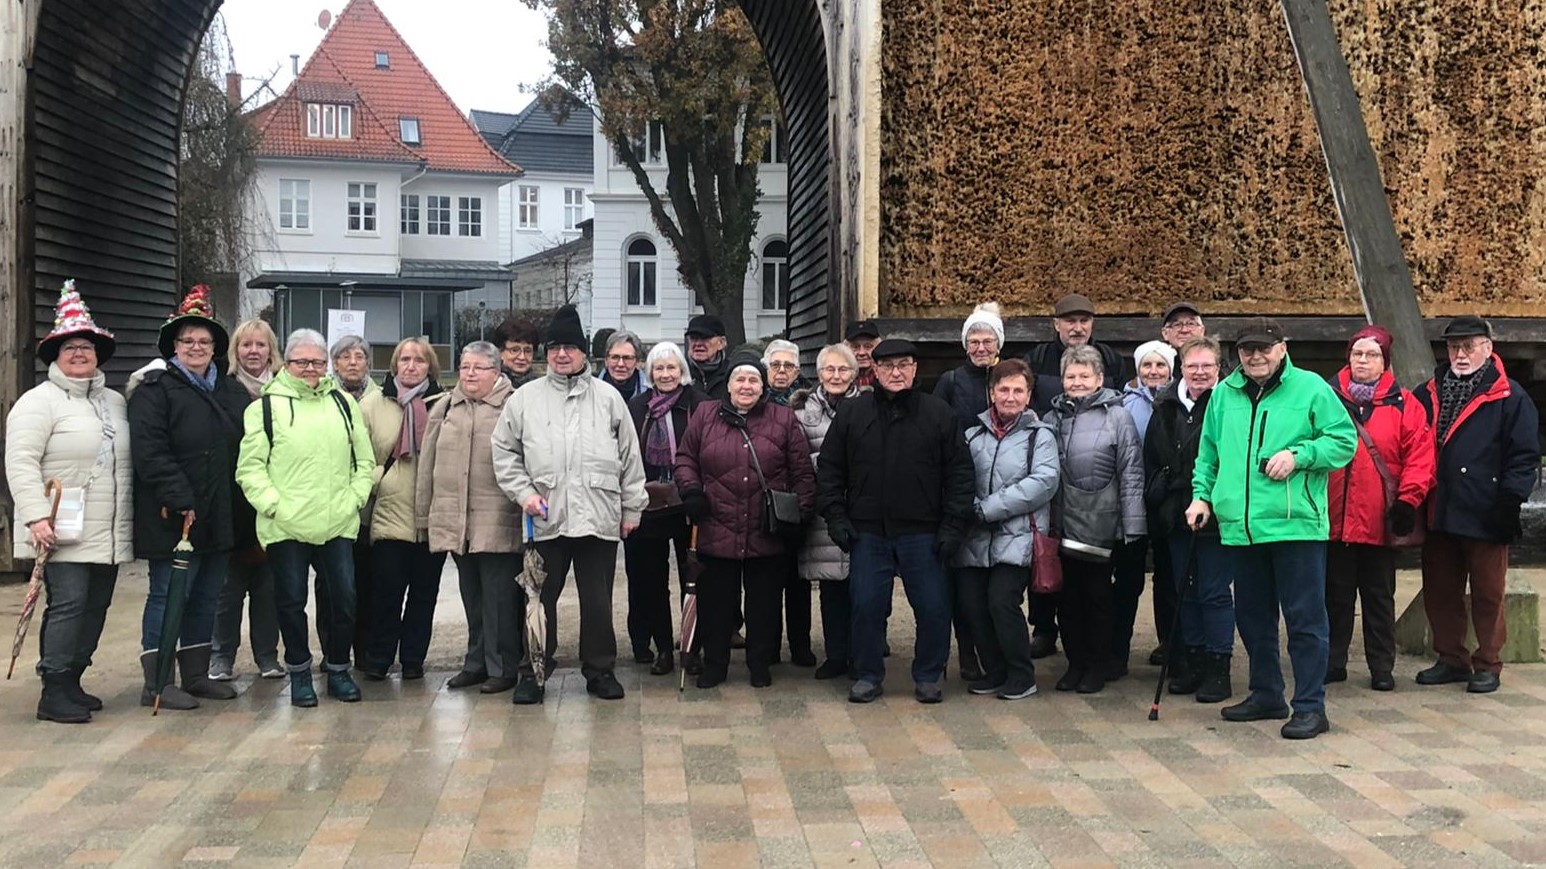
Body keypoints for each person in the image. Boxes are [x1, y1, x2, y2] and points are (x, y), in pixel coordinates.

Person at [1186, 318, 1356, 740]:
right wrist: (1201, 495)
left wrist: (1300, 455)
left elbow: (1344, 440)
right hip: (1241, 527)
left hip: (1295, 524)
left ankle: (1311, 707)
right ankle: (1266, 694)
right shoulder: (1224, 394)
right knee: (1253, 618)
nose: (1255, 356)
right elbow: (1208, 452)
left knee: (1304, 620)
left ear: (1282, 347)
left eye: (1263, 348)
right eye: (1247, 350)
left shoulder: (1312, 388)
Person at [491, 305, 649, 702]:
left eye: (571, 348)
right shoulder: (525, 399)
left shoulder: (609, 398)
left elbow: (631, 458)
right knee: (538, 601)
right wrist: (524, 493)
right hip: (545, 518)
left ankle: (599, 671)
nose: (563, 355)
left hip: (598, 517)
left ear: (584, 354)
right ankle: (534, 673)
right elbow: (504, 451)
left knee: (598, 602)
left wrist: (632, 509)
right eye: (556, 347)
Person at [817, 338, 974, 704]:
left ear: (915, 368)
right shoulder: (853, 414)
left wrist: (953, 526)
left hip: (924, 531)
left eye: (904, 364)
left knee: (933, 607)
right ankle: (868, 674)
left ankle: (928, 675)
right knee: (867, 605)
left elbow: (960, 475)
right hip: (867, 531)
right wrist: (836, 518)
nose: (896, 372)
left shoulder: (938, 414)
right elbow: (829, 470)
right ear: (874, 370)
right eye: (887, 365)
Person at [6, 282, 132, 723]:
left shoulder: (114, 402)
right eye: (70, 347)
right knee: (69, 605)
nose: (79, 353)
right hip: (62, 527)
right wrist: (36, 517)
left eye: (86, 346)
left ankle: (75, 678)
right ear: (55, 356)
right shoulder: (37, 403)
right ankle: (53, 688)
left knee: (96, 606)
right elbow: (20, 461)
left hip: (108, 528)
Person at [236, 328, 375, 708]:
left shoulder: (344, 404)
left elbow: (364, 462)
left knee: (343, 600)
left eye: (317, 362)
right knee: (290, 601)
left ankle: (338, 669)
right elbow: (250, 470)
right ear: (287, 363)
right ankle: (299, 671)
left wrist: (354, 499)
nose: (311, 369)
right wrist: (275, 506)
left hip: (337, 521)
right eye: (302, 362)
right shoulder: (264, 408)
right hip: (286, 525)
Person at [128, 286, 252, 711]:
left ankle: (196, 675)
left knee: (206, 595)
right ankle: (157, 682)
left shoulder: (232, 392)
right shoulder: (155, 390)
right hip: (174, 515)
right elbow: (149, 449)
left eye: (204, 341)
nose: (196, 347)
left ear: (215, 347)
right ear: (174, 347)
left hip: (220, 513)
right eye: (188, 341)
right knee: (169, 594)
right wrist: (179, 494)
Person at [1413, 316, 1539, 694]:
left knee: (1488, 593)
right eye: (1454, 347)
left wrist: (1510, 502)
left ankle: (1488, 662)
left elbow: (1524, 455)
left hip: (1486, 508)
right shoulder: (1428, 391)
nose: (1461, 354)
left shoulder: (1509, 395)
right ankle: (1451, 658)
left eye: (1469, 346)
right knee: (1440, 590)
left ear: (1488, 348)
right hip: (1440, 506)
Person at [675, 352, 817, 688]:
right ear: (728, 384)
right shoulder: (705, 415)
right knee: (717, 604)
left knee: (764, 606)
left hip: (765, 528)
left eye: (753, 379)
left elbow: (802, 472)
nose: (746, 385)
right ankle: (715, 664)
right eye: (740, 379)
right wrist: (692, 491)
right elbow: (685, 459)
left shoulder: (782, 419)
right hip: (716, 524)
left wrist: (801, 517)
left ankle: (760, 664)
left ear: (762, 384)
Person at [1325, 326, 1436, 692]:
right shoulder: (1326, 397)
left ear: (1384, 361)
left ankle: (1381, 666)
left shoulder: (1405, 404)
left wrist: (1408, 500)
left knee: (1378, 598)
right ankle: (1332, 660)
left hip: (1378, 519)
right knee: (1334, 596)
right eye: (1357, 353)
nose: (1362, 361)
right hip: (1334, 518)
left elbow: (1419, 456)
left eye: (1371, 355)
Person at [416, 341, 526, 697]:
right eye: (464, 367)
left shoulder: (513, 406)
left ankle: (503, 667)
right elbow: (427, 465)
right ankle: (475, 663)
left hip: (498, 519)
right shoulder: (446, 407)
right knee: (472, 597)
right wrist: (424, 516)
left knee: (499, 600)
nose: (470, 374)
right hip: (456, 521)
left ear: (496, 372)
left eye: (479, 368)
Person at [953, 358, 1059, 700]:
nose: (1010, 397)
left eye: (1018, 390)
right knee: (973, 604)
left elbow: (1044, 482)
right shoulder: (972, 435)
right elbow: (959, 479)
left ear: (1028, 396)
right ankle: (994, 670)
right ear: (991, 392)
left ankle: (1021, 674)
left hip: (1018, 536)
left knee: (1002, 602)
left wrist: (988, 509)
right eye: (1003, 389)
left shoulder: (1040, 436)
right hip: (976, 537)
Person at [1043, 345, 1146, 695]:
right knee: (1067, 601)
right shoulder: (1051, 418)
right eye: (1070, 376)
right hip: (1064, 525)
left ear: (1099, 379)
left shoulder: (1118, 417)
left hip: (1102, 525)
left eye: (1084, 375)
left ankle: (1098, 665)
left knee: (1098, 600)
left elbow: (1131, 474)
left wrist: (1132, 526)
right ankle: (1075, 663)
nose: (1077, 382)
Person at [1145, 337, 1234, 703]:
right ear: (1182, 368)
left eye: (1207, 367)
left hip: (1214, 515)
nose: (1199, 373)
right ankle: (1193, 661)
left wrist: (1209, 498)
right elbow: (1152, 454)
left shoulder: (1229, 402)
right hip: (1175, 513)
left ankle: (1218, 668)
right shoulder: (1165, 404)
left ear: (1218, 369)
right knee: (1186, 590)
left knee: (1213, 593)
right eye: (1192, 366)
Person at [358, 337, 447, 681]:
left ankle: (413, 660)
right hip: (389, 514)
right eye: (405, 360)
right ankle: (378, 659)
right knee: (386, 595)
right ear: (394, 366)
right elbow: (359, 456)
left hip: (431, 514)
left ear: (430, 367)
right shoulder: (371, 405)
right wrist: (379, 479)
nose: (411, 366)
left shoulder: (444, 404)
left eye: (420, 360)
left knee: (424, 596)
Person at [933, 302, 1008, 682]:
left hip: (1002, 488)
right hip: (960, 485)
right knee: (961, 578)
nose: (981, 347)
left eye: (988, 339)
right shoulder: (950, 381)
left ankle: (997, 650)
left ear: (999, 343)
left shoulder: (1007, 378)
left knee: (997, 581)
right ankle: (965, 651)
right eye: (974, 340)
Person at [624, 341, 708, 676]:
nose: (665, 374)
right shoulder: (638, 406)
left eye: (671, 367)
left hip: (689, 500)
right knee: (651, 580)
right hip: (650, 503)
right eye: (659, 368)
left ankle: (692, 647)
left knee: (694, 577)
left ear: (682, 371)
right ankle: (662, 648)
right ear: (650, 373)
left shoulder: (698, 404)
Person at [209, 318, 285, 682]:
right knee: (228, 590)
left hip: (277, 504)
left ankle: (267, 656)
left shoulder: (285, 391)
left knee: (269, 589)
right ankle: (220, 655)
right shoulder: (221, 390)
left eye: (260, 345)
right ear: (235, 351)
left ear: (272, 350)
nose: (253, 351)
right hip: (233, 503)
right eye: (246, 345)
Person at [793, 343, 864, 680]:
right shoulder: (802, 411)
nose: (836, 376)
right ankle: (836, 655)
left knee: (864, 588)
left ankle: (863, 654)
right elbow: (795, 460)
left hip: (862, 508)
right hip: (825, 510)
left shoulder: (868, 406)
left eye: (843, 370)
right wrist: (831, 462)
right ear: (818, 373)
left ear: (854, 373)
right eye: (829, 370)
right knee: (832, 588)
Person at [1111, 339, 1179, 676]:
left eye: (1161, 365)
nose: (1154, 372)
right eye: (1147, 366)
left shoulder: (1179, 402)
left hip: (1167, 502)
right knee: (1128, 579)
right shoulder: (1123, 405)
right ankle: (1116, 651)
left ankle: (1170, 644)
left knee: (1169, 578)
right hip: (1131, 502)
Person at [760, 338, 815, 664]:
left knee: (798, 581)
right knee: (766, 581)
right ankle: (767, 646)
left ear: (797, 371)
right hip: (762, 499)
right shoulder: (755, 399)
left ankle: (800, 645)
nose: (781, 372)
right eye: (776, 365)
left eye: (788, 366)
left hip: (795, 498)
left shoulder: (808, 404)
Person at [325, 334, 378, 666]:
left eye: (359, 356)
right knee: (332, 590)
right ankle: (333, 652)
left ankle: (366, 652)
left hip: (371, 508)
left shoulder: (381, 398)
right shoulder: (324, 397)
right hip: (331, 509)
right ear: (335, 363)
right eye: (345, 356)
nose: (353, 362)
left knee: (368, 586)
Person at [1024, 293, 1124, 414]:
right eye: (1071, 321)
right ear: (1056, 325)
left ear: (1092, 323)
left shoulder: (1111, 359)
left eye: (1084, 321)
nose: (1078, 328)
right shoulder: (1037, 359)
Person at [685, 314, 731, 400]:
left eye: (705, 338)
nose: (698, 344)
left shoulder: (732, 373)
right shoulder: (680, 372)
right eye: (693, 338)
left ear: (721, 343)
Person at [494, 315, 541, 388]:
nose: (522, 357)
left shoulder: (540, 387)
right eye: (514, 350)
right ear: (500, 352)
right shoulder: (489, 385)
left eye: (528, 351)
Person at [599, 330, 647, 402]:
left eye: (627, 358)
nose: (620, 364)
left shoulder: (651, 396)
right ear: (606, 360)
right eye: (615, 357)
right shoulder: (590, 392)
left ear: (637, 362)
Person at [763, 339, 810, 407]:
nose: (782, 370)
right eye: (775, 365)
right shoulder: (754, 398)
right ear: (766, 369)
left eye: (788, 366)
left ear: (796, 373)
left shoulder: (810, 401)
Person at [845, 321, 881, 390]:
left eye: (868, 346)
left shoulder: (886, 378)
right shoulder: (837, 379)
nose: (862, 353)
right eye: (855, 347)